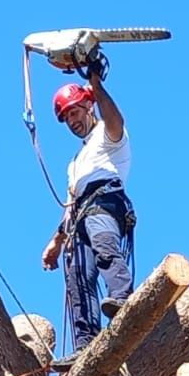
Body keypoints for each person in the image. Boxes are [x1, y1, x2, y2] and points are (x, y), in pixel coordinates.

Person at [41, 74, 135, 355]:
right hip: (80, 214)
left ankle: (122, 298)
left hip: (105, 200)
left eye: (75, 111)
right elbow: (70, 206)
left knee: (104, 246)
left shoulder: (108, 136)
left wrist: (96, 86)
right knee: (77, 275)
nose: (72, 120)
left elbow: (116, 119)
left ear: (88, 106)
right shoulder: (74, 164)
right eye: (66, 117)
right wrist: (56, 242)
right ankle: (85, 343)